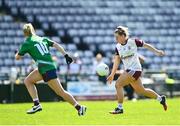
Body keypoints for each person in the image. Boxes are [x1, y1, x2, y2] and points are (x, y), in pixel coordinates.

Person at [15, 23, 86, 116]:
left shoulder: (27, 42)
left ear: (24, 33)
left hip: (46, 69)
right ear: (33, 30)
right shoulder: (42, 39)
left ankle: (80, 108)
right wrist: (66, 55)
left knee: (60, 92)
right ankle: (36, 104)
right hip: (45, 68)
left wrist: (17, 52)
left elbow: (17, 58)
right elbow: (56, 44)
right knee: (28, 81)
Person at [107, 26, 167, 114]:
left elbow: (146, 45)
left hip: (135, 69)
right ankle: (161, 99)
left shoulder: (133, 41)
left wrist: (157, 51)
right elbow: (116, 61)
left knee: (118, 84)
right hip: (130, 71)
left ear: (123, 36)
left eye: (117, 37)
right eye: (115, 37)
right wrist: (112, 74)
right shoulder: (118, 47)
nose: (116, 39)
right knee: (141, 91)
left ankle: (120, 108)